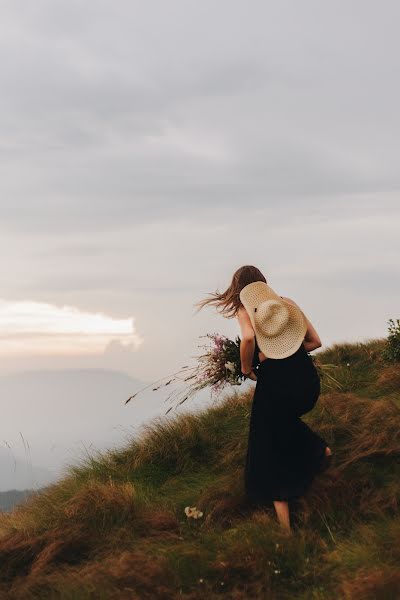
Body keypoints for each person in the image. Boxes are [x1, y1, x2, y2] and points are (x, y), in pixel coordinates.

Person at [195, 265, 332, 533]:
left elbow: (248, 337)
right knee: (283, 428)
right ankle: (317, 452)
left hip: (277, 386)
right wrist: (289, 350)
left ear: (240, 291)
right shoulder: (286, 305)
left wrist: (246, 369)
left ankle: (285, 523)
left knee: (266, 445)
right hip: (307, 384)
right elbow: (316, 342)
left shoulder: (246, 310)